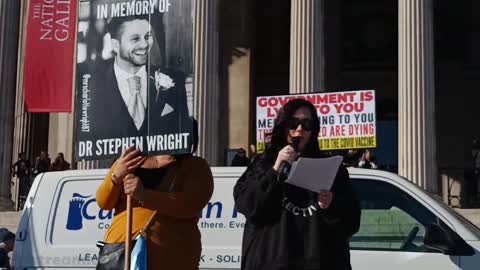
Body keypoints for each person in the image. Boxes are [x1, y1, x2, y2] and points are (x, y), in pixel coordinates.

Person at [233, 98, 361, 270]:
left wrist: (331, 204)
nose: (299, 129)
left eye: (307, 124)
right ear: (283, 126)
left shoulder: (332, 167)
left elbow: (352, 222)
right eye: (293, 123)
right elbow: (248, 206)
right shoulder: (263, 164)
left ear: (313, 130)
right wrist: (275, 169)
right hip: (272, 262)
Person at [96, 127, 213, 269]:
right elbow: (104, 203)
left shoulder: (195, 166)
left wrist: (145, 195)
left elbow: (191, 204)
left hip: (171, 258)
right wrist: (116, 177)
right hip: (121, 254)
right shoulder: (128, 161)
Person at [88, 14, 190, 140]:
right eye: (135, 39)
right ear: (115, 45)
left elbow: (183, 131)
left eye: (147, 36)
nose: (145, 45)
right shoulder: (93, 84)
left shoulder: (174, 79)